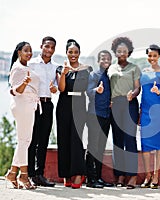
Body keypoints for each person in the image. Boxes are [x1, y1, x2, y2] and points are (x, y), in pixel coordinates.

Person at [56, 39, 92, 189]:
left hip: (79, 104)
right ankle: (66, 174)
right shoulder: (60, 69)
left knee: (76, 139)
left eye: (76, 52)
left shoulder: (86, 70)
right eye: (70, 52)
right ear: (66, 53)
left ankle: (78, 173)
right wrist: (64, 74)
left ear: (79, 53)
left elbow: (89, 89)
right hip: (64, 103)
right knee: (63, 138)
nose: (73, 55)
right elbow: (61, 88)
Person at [108, 37, 140, 189]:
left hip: (130, 103)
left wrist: (132, 94)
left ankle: (132, 176)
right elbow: (107, 86)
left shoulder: (134, 68)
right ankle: (120, 175)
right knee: (117, 141)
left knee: (130, 140)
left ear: (129, 52)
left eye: (124, 51)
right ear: (115, 52)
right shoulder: (111, 68)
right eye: (119, 51)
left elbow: (137, 87)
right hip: (115, 105)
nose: (122, 53)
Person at [5, 41, 38, 190]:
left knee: (24, 141)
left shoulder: (26, 67)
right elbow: (14, 90)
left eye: (30, 51)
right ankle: (23, 175)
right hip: (22, 105)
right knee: (24, 141)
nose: (29, 53)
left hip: (28, 105)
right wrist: (24, 83)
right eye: (26, 51)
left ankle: (13, 173)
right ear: (19, 52)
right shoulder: (17, 68)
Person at [27, 36, 57, 187]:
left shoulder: (55, 67)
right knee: (32, 140)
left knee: (44, 140)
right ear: (41, 46)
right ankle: (30, 174)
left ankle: (40, 174)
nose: (49, 50)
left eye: (52, 47)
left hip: (48, 105)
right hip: (33, 104)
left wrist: (54, 89)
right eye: (47, 46)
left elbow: (57, 87)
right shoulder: (31, 64)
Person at [139, 44, 160, 189]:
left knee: (157, 145)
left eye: (154, 56)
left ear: (159, 56)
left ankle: (156, 176)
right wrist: (139, 111)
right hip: (145, 111)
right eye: (150, 56)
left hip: (158, 112)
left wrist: (158, 91)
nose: (152, 58)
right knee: (145, 145)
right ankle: (147, 175)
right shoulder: (143, 72)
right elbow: (142, 93)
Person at [85, 50, 114, 188]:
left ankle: (98, 177)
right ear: (98, 61)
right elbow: (89, 92)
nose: (105, 60)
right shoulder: (93, 75)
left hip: (106, 115)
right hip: (94, 115)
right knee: (93, 147)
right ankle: (90, 179)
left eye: (108, 58)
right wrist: (97, 90)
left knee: (101, 148)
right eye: (103, 58)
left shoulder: (110, 76)